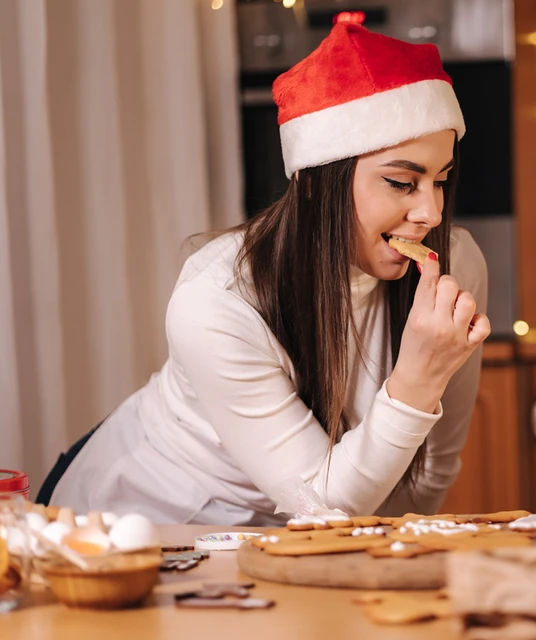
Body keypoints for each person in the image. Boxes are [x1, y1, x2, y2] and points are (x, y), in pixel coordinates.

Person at [40, 20, 491, 525]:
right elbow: (320, 507)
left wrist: (378, 556)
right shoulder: (217, 301)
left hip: (301, 534)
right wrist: (417, 377)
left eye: (441, 179)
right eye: (401, 182)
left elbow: (429, 469)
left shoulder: (456, 266)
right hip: (155, 521)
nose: (430, 212)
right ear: (318, 183)